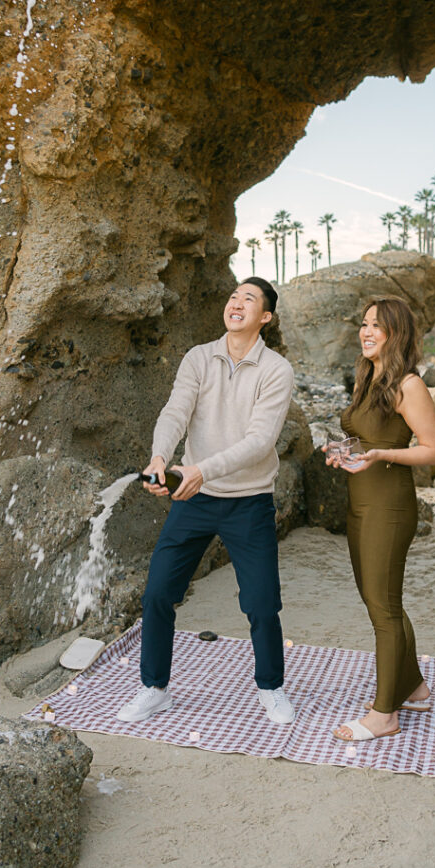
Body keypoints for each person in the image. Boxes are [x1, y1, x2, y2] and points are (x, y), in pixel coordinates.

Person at [117, 277, 296, 725]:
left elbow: (259, 441)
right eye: (233, 295)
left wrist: (199, 471)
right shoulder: (199, 357)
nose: (236, 303)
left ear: (266, 317)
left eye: (249, 299)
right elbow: (176, 411)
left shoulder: (277, 370)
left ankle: (271, 688)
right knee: (158, 592)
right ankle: (154, 688)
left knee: (261, 603)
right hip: (193, 499)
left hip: (249, 501)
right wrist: (161, 457)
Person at [326, 297, 435, 742]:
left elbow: (433, 450)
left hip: (389, 509)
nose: (367, 331)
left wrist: (380, 454)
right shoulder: (369, 376)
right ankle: (414, 686)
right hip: (360, 504)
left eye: (377, 325)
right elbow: (365, 439)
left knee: (383, 609)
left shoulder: (408, 385)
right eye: (364, 323)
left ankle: (385, 714)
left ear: (397, 333)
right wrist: (345, 450)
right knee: (380, 601)